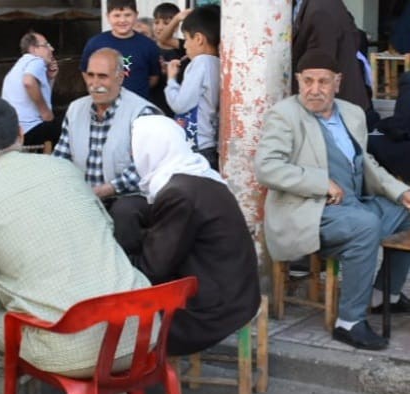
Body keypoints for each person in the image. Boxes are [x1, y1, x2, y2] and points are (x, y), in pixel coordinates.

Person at [0, 96, 154, 394]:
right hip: (142, 333)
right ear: (19, 133)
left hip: (71, 347)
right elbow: (106, 231)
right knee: (95, 301)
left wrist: (10, 291)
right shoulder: (64, 170)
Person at [255, 51, 410, 351]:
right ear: (299, 81)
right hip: (310, 212)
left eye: (323, 81)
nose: (315, 89)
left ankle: (383, 295)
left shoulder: (351, 113)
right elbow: (267, 168)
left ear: (337, 83)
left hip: (353, 205)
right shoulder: (285, 115)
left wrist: (400, 192)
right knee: (366, 226)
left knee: (404, 212)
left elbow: (365, 163)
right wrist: (319, 182)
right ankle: (349, 322)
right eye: (308, 81)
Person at [124, 115, 260, 355]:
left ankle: (118, 380)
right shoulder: (200, 176)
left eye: (135, 148)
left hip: (212, 310)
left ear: (151, 148)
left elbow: (153, 268)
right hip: (238, 294)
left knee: (115, 319)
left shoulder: (178, 194)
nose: (133, 157)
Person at [54, 47, 159, 248]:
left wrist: (104, 190)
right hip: (86, 195)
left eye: (103, 77)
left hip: (128, 196)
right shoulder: (76, 109)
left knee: (124, 211)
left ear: (120, 78)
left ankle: (130, 270)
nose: (95, 84)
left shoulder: (142, 112)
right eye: (90, 76)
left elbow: (145, 167)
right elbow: (61, 157)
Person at [292, 0, 372, 121]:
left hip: (329, 111)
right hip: (340, 106)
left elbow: (320, 67)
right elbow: (355, 36)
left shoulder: (320, 9)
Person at [164, 6, 221, 170]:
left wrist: (171, 80)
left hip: (196, 144)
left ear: (198, 39)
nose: (185, 46)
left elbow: (180, 105)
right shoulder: (218, 63)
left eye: (186, 39)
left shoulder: (200, 63)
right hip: (210, 142)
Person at [79, 0, 160, 100]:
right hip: (105, 103)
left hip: (137, 104)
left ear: (136, 15)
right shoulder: (95, 43)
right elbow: (85, 71)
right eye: (117, 15)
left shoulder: (149, 45)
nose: (122, 20)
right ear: (108, 16)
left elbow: (154, 77)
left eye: (127, 15)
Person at [1, 31, 60, 146]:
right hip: (31, 128)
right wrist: (46, 113)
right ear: (34, 49)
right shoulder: (36, 60)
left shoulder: (20, 65)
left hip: (16, 133)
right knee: (71, 126)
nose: (51, 49)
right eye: (46, 45)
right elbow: (28, 82)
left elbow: (41, 92)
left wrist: (50, 78)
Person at [150, 3, 186, 116]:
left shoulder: (184, 48)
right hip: (153, 103)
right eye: (156, 22)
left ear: (176, 26)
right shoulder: (148, 47)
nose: (160, 27)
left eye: (166, 23)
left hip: (175, 106)